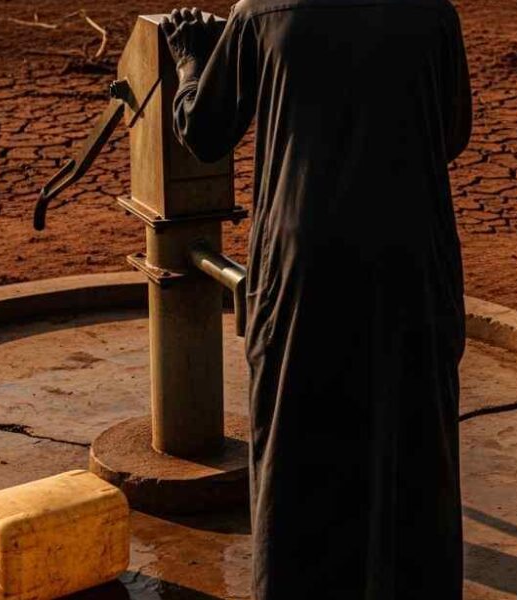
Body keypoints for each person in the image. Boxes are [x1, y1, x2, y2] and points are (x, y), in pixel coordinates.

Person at [161, 1, 472, 597]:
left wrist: (190, 61)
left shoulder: (260, 12)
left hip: (301, 268)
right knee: (411, 444)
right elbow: (451, 134)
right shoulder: (434, 13)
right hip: (411, 263)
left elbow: (203, 131)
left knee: (295, 447)